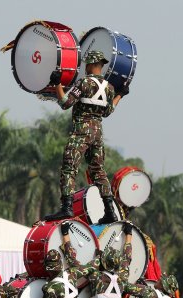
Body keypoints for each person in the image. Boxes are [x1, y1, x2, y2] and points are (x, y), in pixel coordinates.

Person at [44, 50, 128, 223]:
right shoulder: (109, 88)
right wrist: (120, 95)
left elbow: (65, 103)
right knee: (98, 171)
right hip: (97, 133)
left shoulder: (83, 83)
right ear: (101, 65)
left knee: (69, 166)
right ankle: (110, 211)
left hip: (81, 130)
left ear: (90, 64)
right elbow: (108, 112)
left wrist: (57, 83)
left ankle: (66, 207)